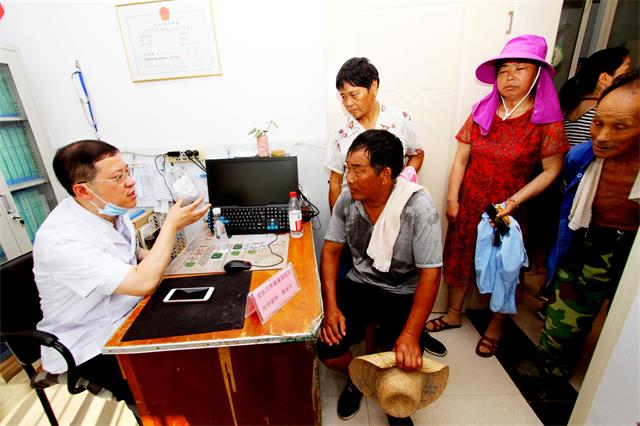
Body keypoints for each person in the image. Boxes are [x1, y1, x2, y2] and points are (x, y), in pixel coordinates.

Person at [33, 140, 210, 420]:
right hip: (90, 340)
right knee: (170, 385)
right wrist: (171, 226)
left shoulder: (111, 211)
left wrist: (182, 262)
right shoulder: (62, 240)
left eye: (127, 171)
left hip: (128, 310)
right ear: (83, 190)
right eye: (118, 177)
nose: (130, 181)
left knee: (201, 336)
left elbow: (134, 254)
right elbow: (142, 283)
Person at [425, 34, 569, 357]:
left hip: (508, 210)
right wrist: (452, 198)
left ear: (537, 75)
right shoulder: (482, 111)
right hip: (471, 201)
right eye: (504, 70)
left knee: (507, 268)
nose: (510, 76)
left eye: (520, 68)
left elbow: (552, 170)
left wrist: (514, 202)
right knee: (460, 256)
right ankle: (454, 314)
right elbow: (461, 159)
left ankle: (496, 325)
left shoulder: (546, 122)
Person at [318, 130, 442, 426]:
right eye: (348, 168)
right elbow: (331, 252)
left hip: (403, 289)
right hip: (361, 283)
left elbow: (430, 274)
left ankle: (392, 395)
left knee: (404, 363)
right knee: (327, 350)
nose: (348, 178)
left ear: (385, 174)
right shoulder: (347, 201)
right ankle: (359, 377)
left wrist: (410, 335)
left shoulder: (418, 207)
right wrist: (331, 308)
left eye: (358, 170)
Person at [539, 71, 639, 378]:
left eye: (619, 127)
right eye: (598, 123)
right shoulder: (581, 157)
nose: (603, 136)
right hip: (588, 238)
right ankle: (551, 368)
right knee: (564, 318)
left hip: (632, 250)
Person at [326, 57, 424, 212]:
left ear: (373, 86)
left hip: (395, 208)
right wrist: (337, 220)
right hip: (355, 213)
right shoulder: (340, 133)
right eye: (343, 97)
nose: (348, 103)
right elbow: (335, 181)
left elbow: (417, 154)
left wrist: (406, 177)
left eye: (354, 94)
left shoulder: (399, 120)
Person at [559, 47, 631, 146]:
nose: (630, 78)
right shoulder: (602, 111)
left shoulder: (574, 105)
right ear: (604, 78)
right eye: (626, 72)